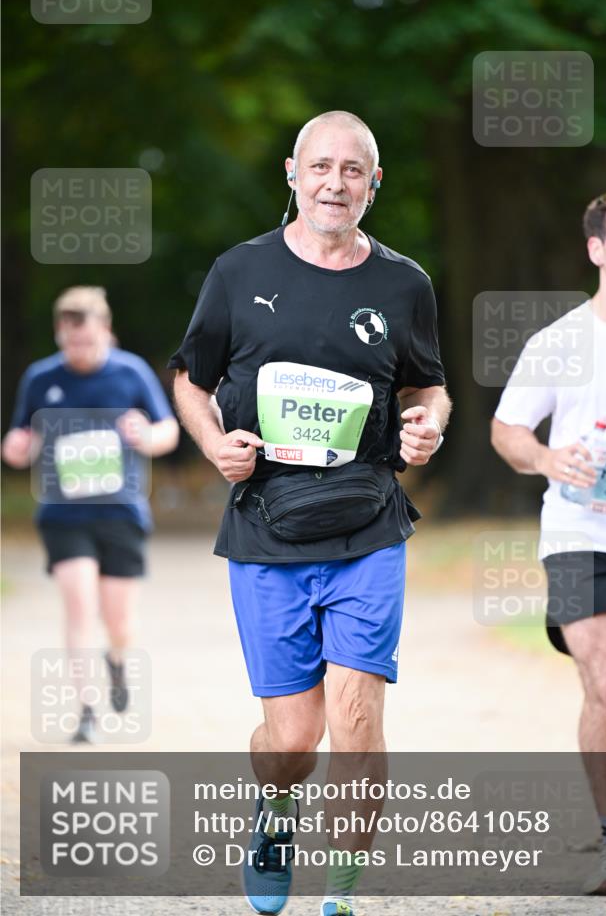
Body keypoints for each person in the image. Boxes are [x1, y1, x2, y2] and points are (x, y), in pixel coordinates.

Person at [168, 110, 451, 916]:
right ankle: (275, 808)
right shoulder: (237, 270)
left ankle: (342, 898)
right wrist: (211, 442)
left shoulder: (404, 283)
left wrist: (430, 423)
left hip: (368, 524)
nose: (335, 183)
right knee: (293, 741)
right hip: (266, 524)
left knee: (357, 713)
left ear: (373, 183)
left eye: (352, 170)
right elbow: (191, 379)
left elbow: (426, 388)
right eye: (320, 167)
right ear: (292, 173)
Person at [491, 191, 606, 895]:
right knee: (605, 676)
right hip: (575, 532)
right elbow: (507, 432)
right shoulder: (558, 342)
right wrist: (547, 460)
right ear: (596, 249)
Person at [2, 286, 179, 742]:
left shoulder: (131, 372)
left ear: (106, 331)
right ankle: (86, 709)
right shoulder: (41, 378)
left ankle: (116, 663)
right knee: (78, 606)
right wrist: (17, 449)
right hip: (63, 514)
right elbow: (17, 441)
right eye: (71, 342)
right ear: (60, 334)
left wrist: (147, 435)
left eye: (89, 341)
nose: (80, 351)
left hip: (121, 512)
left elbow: (168, 432)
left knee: (118, 621)